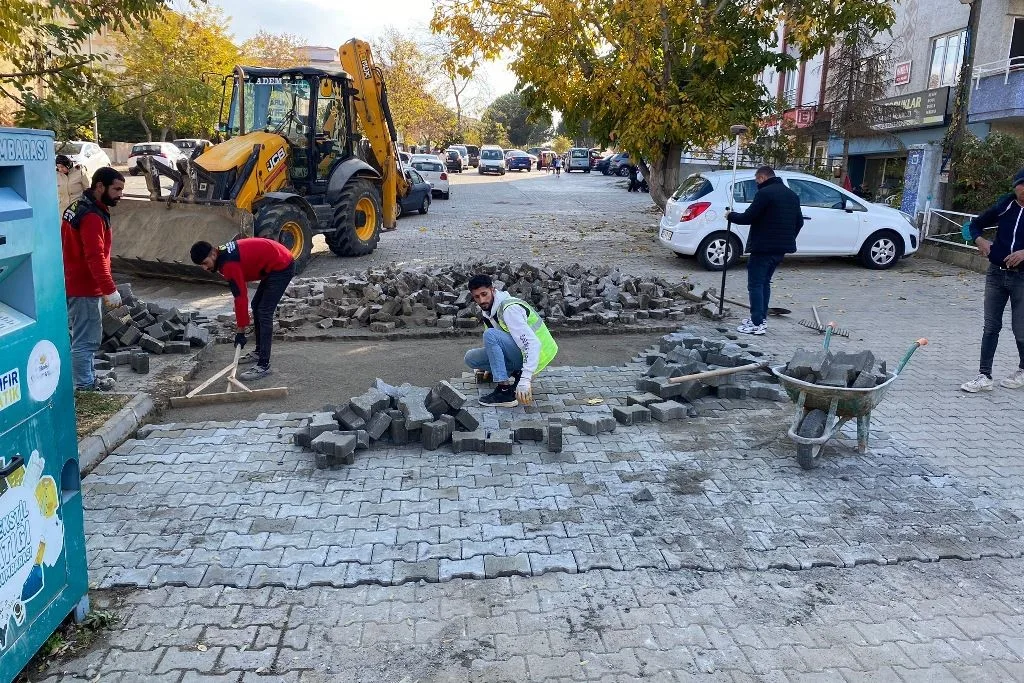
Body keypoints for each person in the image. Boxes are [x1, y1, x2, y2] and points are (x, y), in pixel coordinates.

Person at [190, 238, 295, 381]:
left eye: (205, 263)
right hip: (273, 261)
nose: (205, 268)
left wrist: (241, 332)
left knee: (264, 311)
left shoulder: (228, 264)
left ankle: (263, 364)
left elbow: (240, 297)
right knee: (257, 305)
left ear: (213, 254)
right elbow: (241, 290)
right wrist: (242, 327)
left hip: (282, 264)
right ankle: (259, 351)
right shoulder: (222, 254)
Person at [61, 167, 125, 391]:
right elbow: (95, 256)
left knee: (84, 336)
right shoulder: (91, 217)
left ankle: (88, 378)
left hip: (75, 282)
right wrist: (109, 288)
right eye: (116, 189)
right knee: (86, 340)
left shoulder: (80, 206)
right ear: (100, 186)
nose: (120, 194)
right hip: (84, 287)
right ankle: (85, 386)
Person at [960, 169, 1024, 393]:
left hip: (1022, 278)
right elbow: (974, 225)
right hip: (996, 274)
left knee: (1020, 328)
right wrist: (980, 241)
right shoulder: (1005, 206)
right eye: (1022, 185)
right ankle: (984, 375)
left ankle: (1022, 370)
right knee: (990, 327)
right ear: (1015, 186)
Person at [724, 165, 803, 336]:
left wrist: (730, 216)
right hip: (780, 249)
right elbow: (800, 222)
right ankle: (761, 316)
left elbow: (748, 217)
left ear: (762, 178)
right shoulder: (792, 195)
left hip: (762, 247)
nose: (756, 184)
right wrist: (787, 238)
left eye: (756, 181)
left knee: (755, 284)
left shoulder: (765, 193)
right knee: (765, 282)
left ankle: (757, 323)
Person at [463, 274, 558, 407]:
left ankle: (505, 392)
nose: (482, 300)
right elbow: (498, 344)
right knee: (471, 358)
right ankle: (514, 372)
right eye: (477, 297)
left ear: (493, 290)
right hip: (518, 353)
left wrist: (526, 379)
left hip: (538, 353)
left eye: (484, 294)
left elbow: (532, 344)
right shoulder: (488, 311)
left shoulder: (509, 309)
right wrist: (493, 366)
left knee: (490, 335)